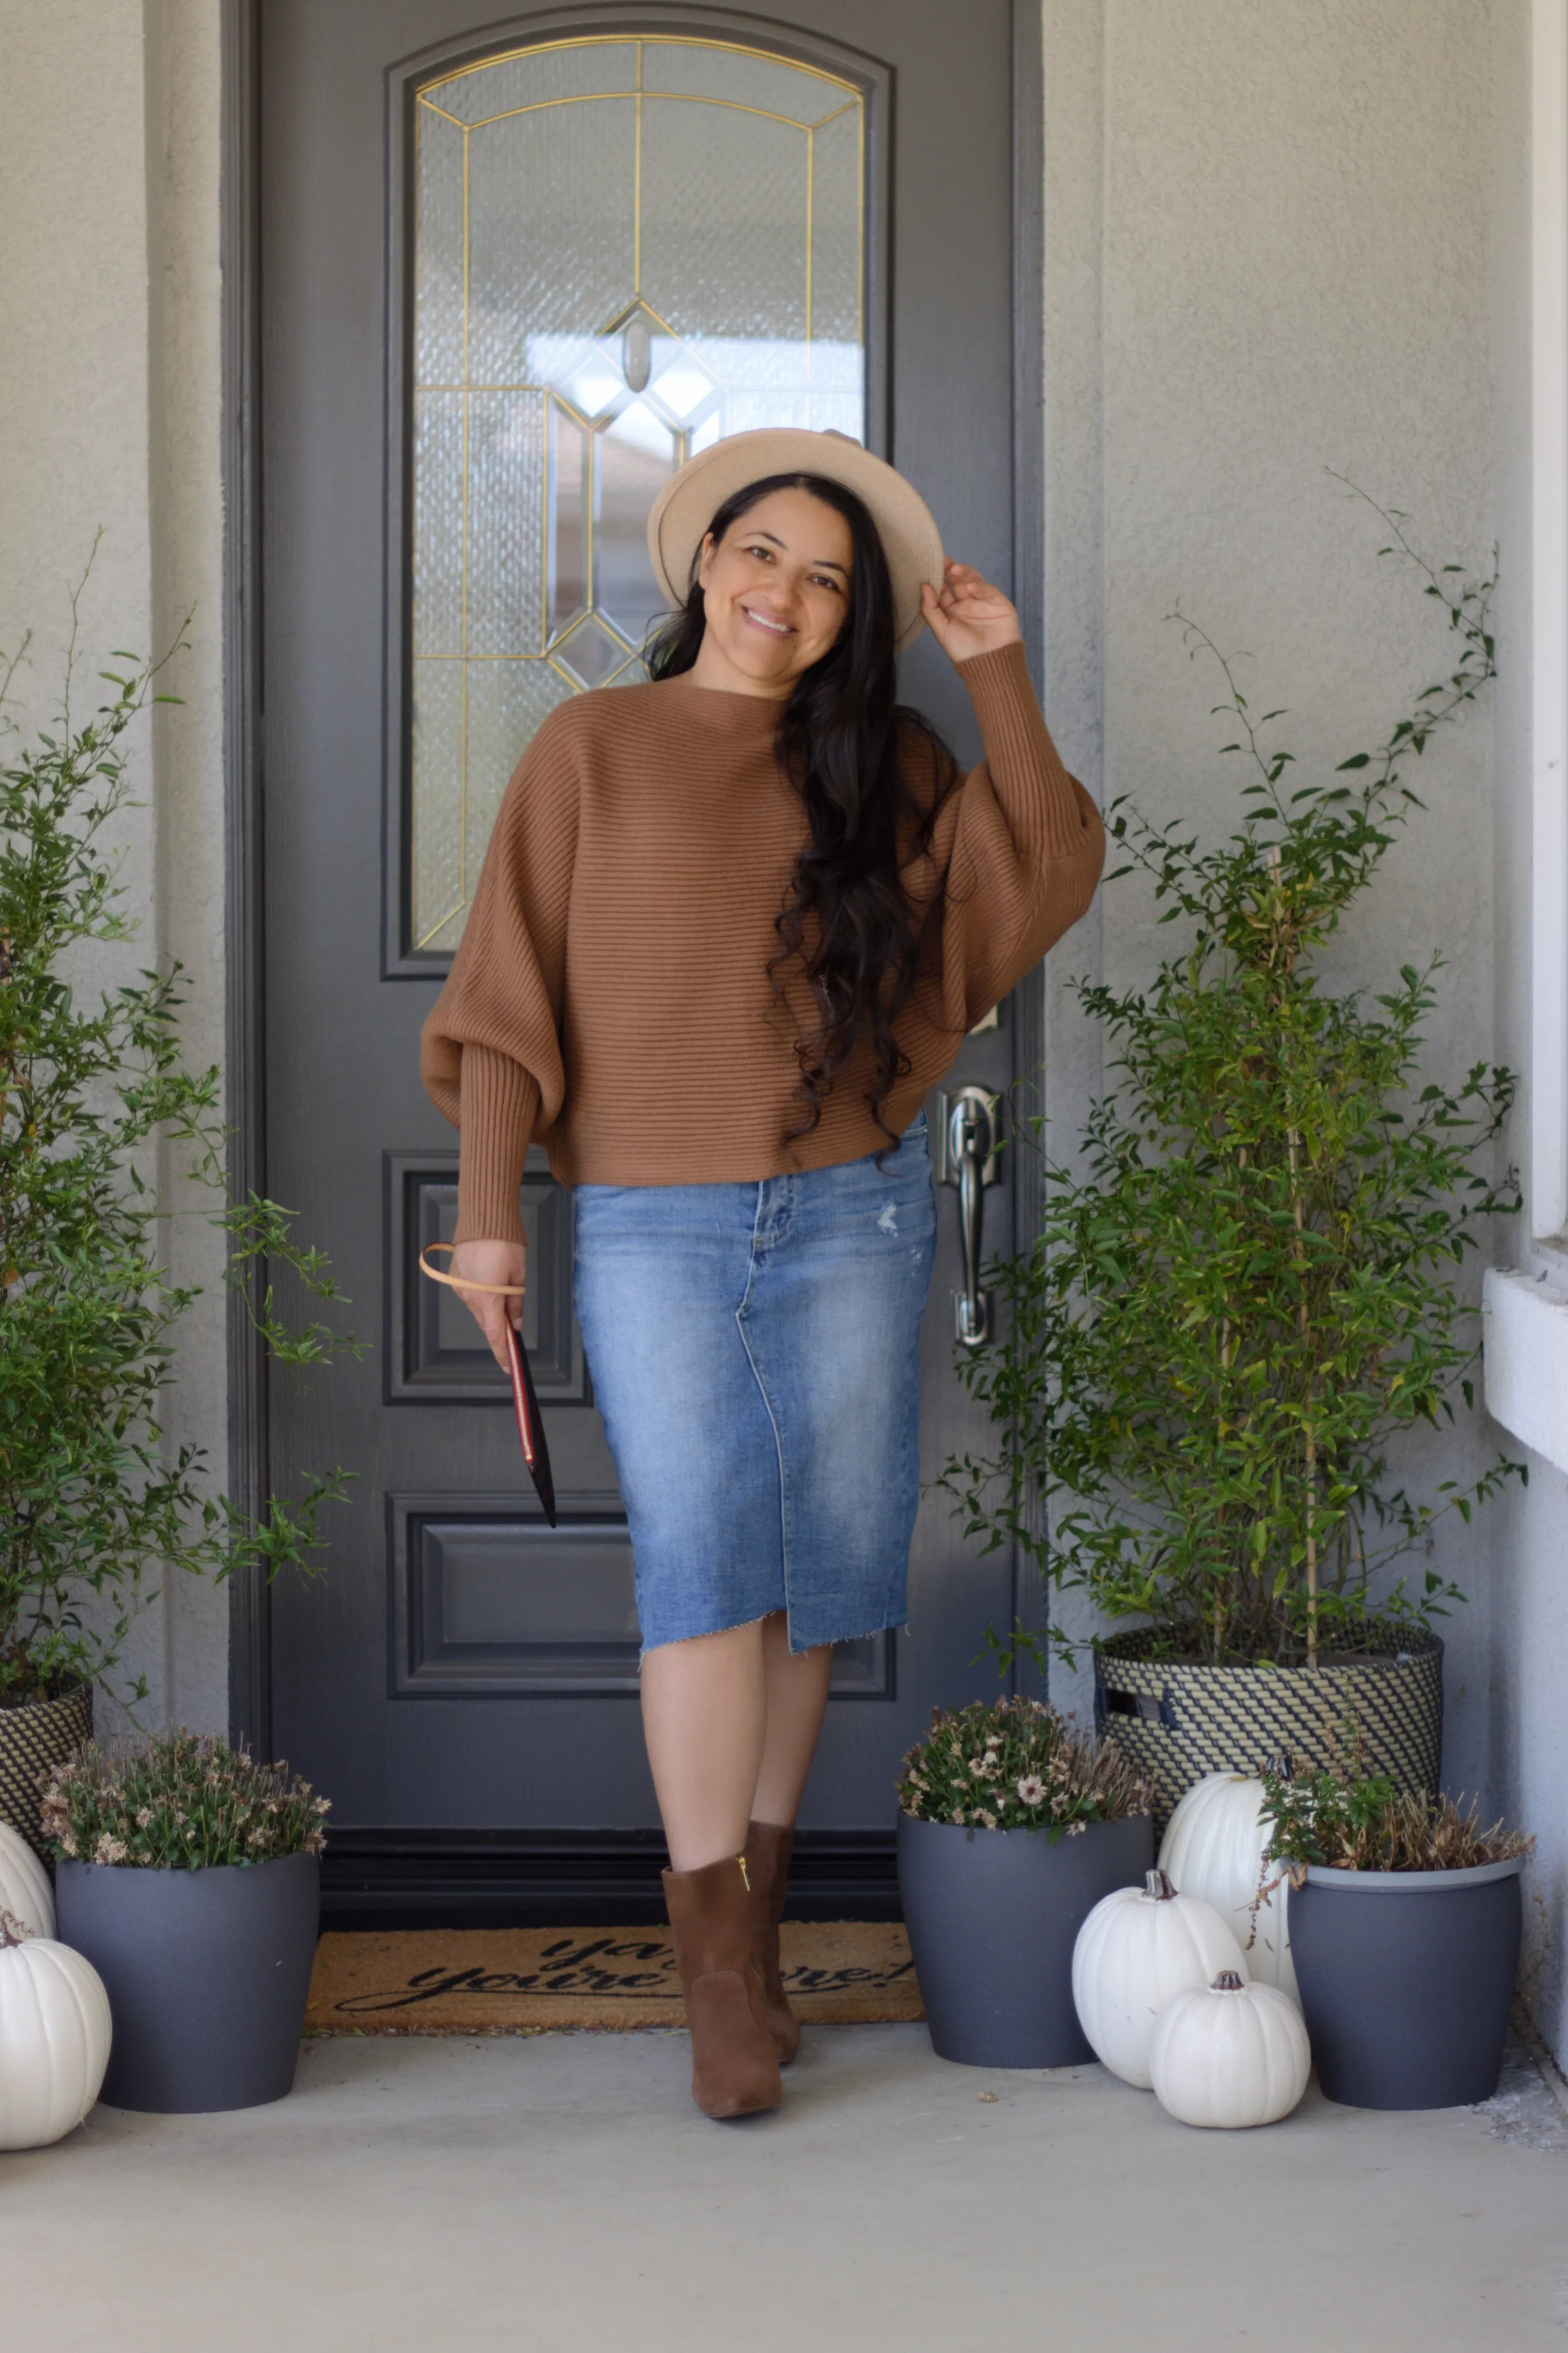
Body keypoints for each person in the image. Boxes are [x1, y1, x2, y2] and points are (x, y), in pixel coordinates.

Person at [419, 427, 1104, 2120]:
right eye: (761, 555)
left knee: (809, 1579)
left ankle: (763, 1919)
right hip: (653, 1224)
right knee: (705, 1576)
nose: (783, 595)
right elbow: (507, 990)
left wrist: (996, 672)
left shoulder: (893, 763)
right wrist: (490, 1212)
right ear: (702, 563)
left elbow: (1053, 866)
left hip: (852, 1215)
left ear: (851, 616)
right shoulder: (591, 746)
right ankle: (715, 1966)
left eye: (825, 579)